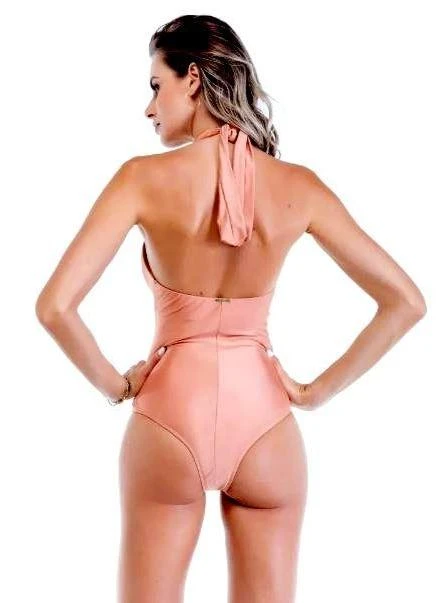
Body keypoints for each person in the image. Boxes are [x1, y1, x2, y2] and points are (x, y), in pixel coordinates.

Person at [35, 14, 427, 603]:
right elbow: (405, 302)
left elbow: (55, 307)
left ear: (192, 79)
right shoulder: (300, 186)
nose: (149, 108)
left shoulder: (140, 179)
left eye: (156, 86)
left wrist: (118, 386)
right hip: (266, 420)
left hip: (168, 416)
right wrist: (315, 392)